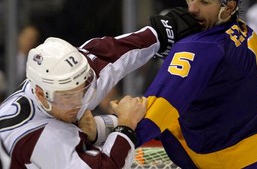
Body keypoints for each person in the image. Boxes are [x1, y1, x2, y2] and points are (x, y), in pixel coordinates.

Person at [134, 0, 257, 168]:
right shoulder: (245, 30)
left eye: (204, 1)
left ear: (229, 6)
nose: (192, 9)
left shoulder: (200, 47)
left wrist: (105, 129)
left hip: (240, 162)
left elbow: (151, 116)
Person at [0, 9, 201, 168]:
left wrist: (162, 33)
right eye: (67, 96)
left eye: (82, 90)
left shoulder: (66, 78)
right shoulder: (45, 138)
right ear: (40, 94)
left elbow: (110, 53)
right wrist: (126, 125)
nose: (77, 105)